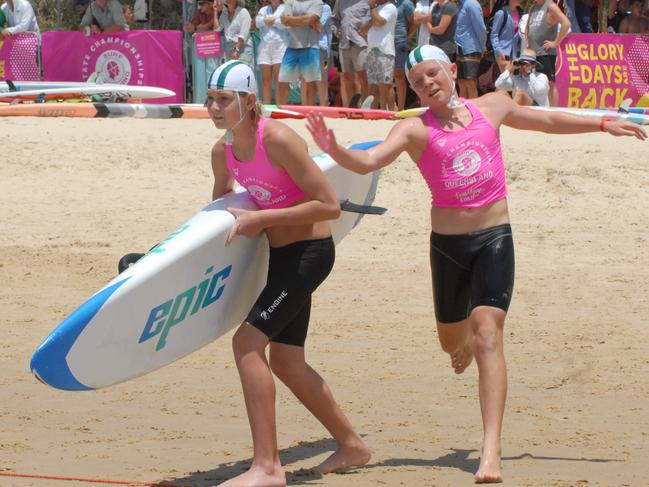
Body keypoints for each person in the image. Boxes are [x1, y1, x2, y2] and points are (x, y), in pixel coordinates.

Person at [306, 45, 646, 484]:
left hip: (494, 238)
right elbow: (370, 160)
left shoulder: (493, 106)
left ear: (451, 70)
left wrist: (601, 122)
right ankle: (460, 341)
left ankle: (491, 450)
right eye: (417, 82)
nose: (427, 85)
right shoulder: (414, 130)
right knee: (453, 343)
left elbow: (546, 121)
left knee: (489, 334)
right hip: (448, 247)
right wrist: (334, 148)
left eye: (433, 74)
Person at [206, 60, 371, 487]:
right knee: (286, 359)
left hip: (310, 254)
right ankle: (352, 445)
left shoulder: (277, 139)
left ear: (248, 101)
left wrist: (261, 220)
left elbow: (330, 205)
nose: (214, 107)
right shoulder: (221, 152)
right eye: (210, 99)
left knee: (247, 343)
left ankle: (268, 467)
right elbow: (221, 203)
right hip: (279, 258)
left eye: (224, 99)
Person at [277, 0, 323, 106]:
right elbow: (284, 21)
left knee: (310, 83)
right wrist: (305, 21)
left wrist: (292, 20)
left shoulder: (317, 2)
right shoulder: (290, 1)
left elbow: (309, 19)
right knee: (282, 82)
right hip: (292, 47)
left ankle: (309, 112)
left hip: (310, 47)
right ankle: (280, 111)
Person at [524, 0, 570, 107]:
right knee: (531, 82)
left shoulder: (550, 6)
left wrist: (555, 43)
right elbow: (528, 26)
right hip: (532, 53)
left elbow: (566, 23)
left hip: (545, 53)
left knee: (550, 83)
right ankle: (538, 108)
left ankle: (554, 110)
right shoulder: (533, 7)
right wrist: (527, 42)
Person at [359, 0, 397, 110]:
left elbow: (380, 22)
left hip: (385, 50)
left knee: (386, 85)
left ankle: (389, 112)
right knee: (373, 86)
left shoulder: (390, 7)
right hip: (371, 50)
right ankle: (374, 114)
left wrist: (372, 9)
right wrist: (372, 20)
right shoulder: (373, 9)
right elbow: (362, 31)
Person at [331, 0, 370, 107]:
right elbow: (334, 19)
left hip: (361, 43)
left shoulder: (367, 2)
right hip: (344, 44)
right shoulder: (340, 2)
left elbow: (372, 19)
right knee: (346, 77)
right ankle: (349, 107)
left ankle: (364, 107)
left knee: (363, 77)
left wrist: (365, 30)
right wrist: (336, 31)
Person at [255, 0, 288, 103]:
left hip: (280, 46)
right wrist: (274, 20)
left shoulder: (285, 8)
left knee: (279, 80)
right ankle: (266, 106)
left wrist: (266, 20)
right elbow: (257, 22)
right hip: (265, 46)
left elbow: (283, 23)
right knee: (266, 80)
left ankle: (280, 107)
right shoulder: (263, 9)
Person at [454, 0, 486, 99]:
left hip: (471, 48)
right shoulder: (459, 5)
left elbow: (480, 28)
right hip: (459, 48)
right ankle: (463, 110)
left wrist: (482, 47)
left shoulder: (471, 3)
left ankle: (473, 111)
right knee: (461, 83)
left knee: (470, 82)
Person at [215, 0, 253, 64]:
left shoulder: (243, 12)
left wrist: (236, 50)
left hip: (243, 49)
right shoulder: (224, 14)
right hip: (228, 49)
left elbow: (243, 35)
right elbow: (217, 29)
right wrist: (215, 13)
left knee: (241, 72)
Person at [394, 0, 415, 111]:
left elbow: (414, 22)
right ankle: (392, 106)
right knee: (385, 78)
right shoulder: (385, 2)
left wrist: (407, 36)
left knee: (399, 75)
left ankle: (401, 108)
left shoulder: (406, 3)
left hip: (400, 41)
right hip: (385, 41)